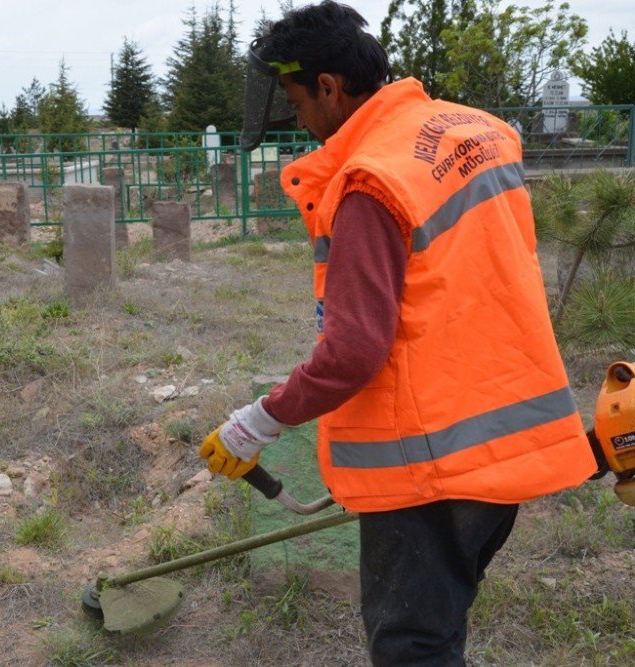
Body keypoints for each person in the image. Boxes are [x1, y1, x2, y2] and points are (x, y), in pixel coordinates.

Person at [198, 2, 598, 665]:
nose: (295, 118)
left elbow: (353, 351)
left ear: (329, 87)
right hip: (503, 445)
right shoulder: (480, 131)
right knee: (439, 631)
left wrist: (258, 422)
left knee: (413, 646)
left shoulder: (369, 183)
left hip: (432, 466)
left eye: (296, 100)